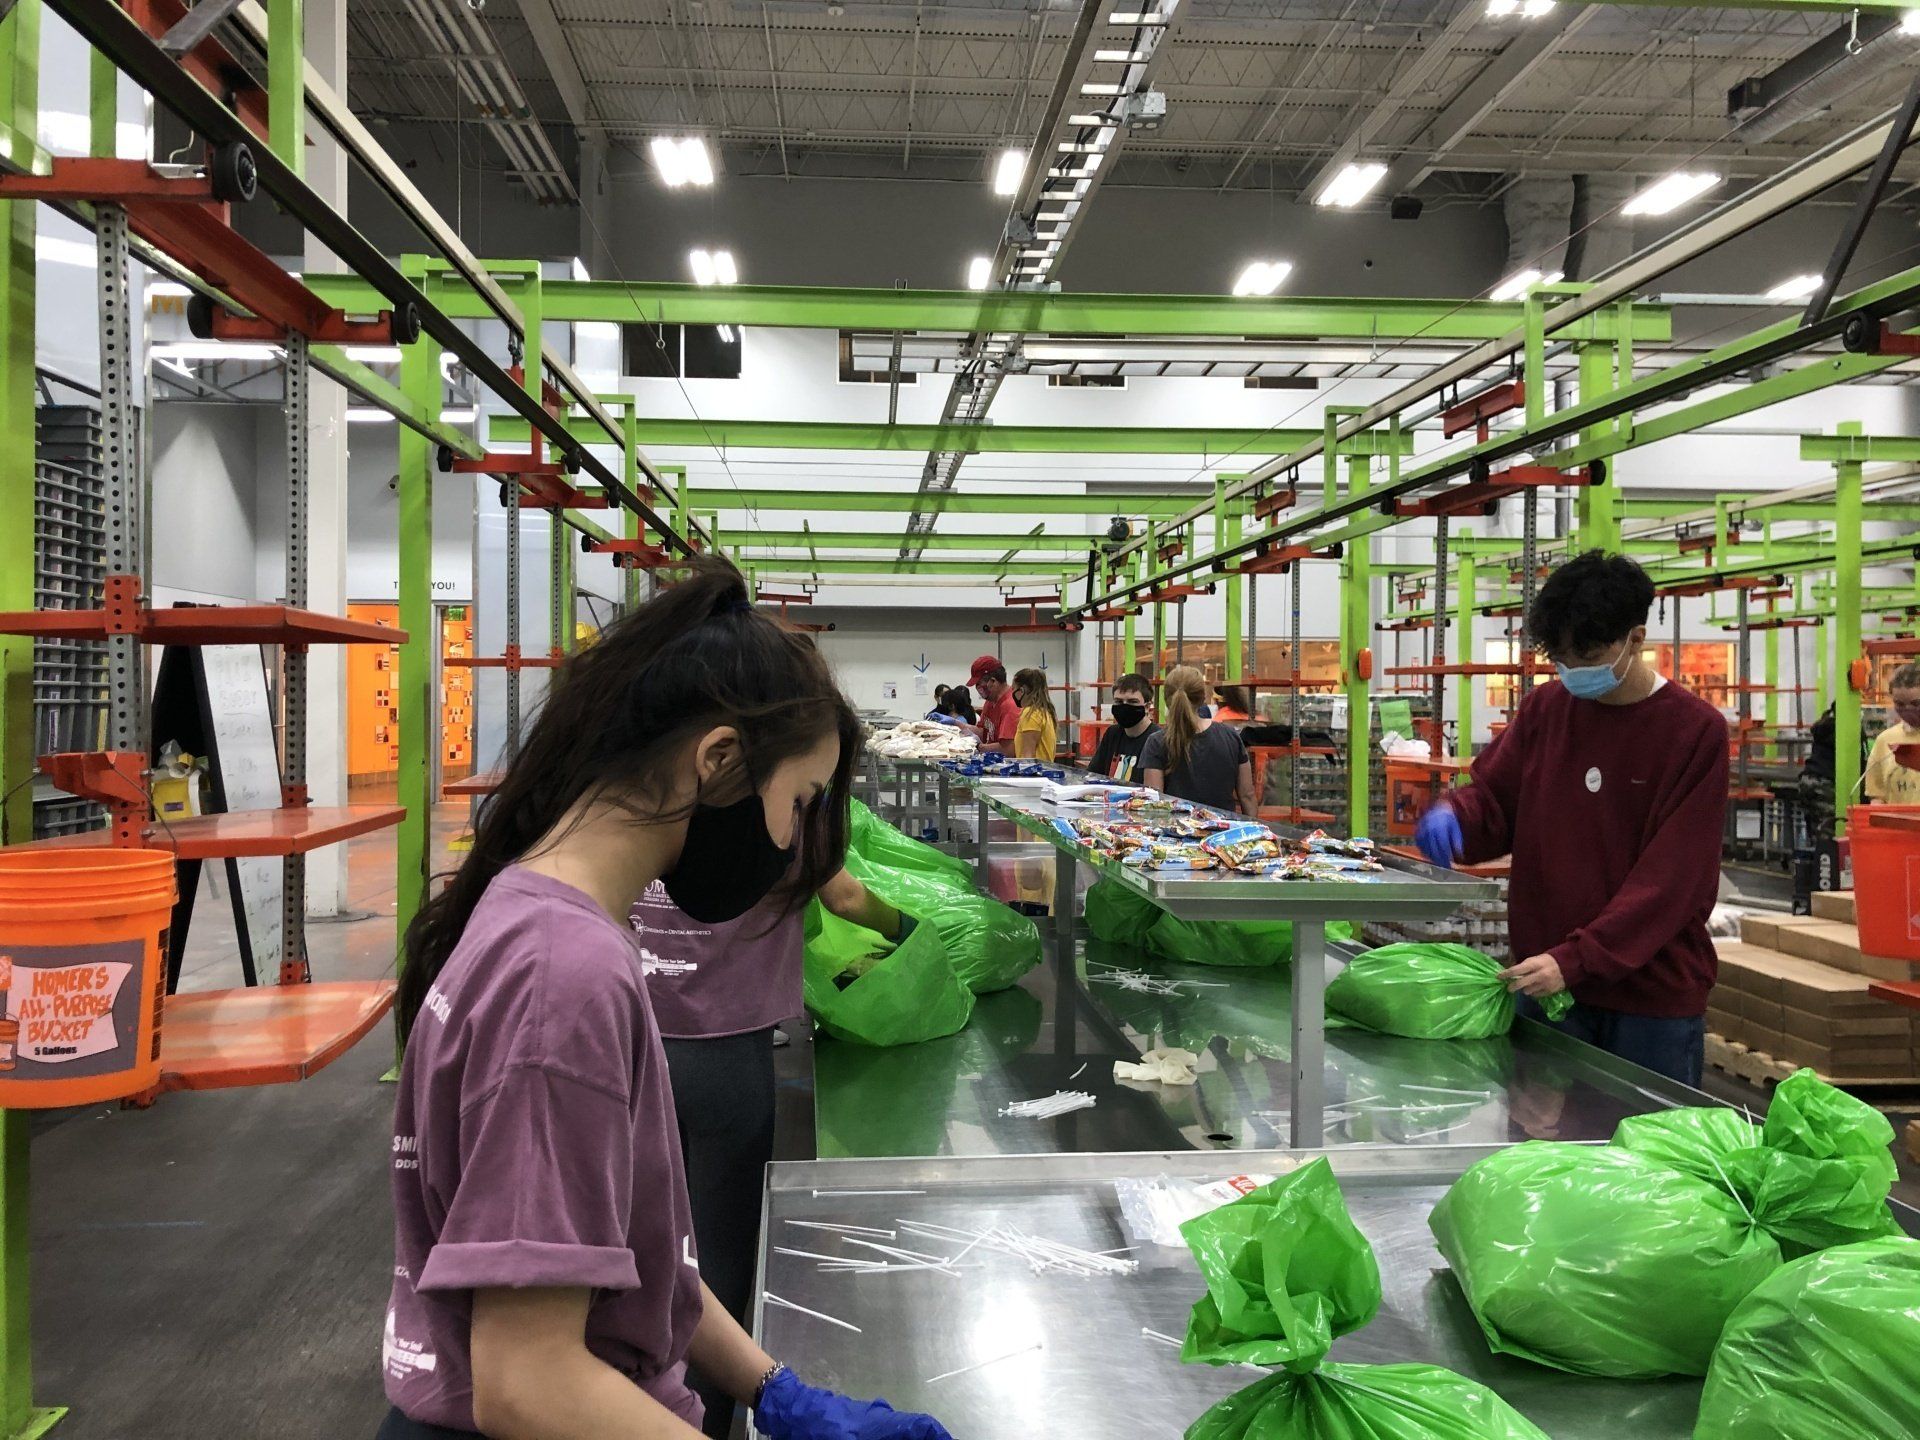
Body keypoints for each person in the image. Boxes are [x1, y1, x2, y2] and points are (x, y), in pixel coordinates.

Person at [379, 559, 952, 1440]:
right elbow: (528, 1381)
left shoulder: (550, 917)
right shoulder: (562, 977)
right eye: (799, 803)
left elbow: (639, 1258)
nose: (794, 840)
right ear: (718, 761)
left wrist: (772, 1390)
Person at [1414, 550, 1728, 1087]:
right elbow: (1496, 800)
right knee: (1540, 1140)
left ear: (1635, 638)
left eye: (1587, 655)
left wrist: (1578, 959)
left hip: (1648, 1002)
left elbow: (1672, 880)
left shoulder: (1693, 732)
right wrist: (1456, 815)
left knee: (1643, 1139)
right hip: (1546, 983)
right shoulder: (1547, 710)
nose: (1573, 671)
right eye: (1561, 657)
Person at [631, 868, 904, 1437]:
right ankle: (699, 1422)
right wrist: (912, 929)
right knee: (717, 1264)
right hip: (726, 1047)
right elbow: (845, 896)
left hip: (634, 1032)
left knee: (637, 1251)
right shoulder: (786, 813)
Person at [1141, 664, 1257, 814]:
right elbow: (1247, 796)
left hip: (1175, 827)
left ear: (1166, 699)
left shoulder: (1157, 742)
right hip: (1222, 827)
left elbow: (1154, 801)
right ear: (1203, 698)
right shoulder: (1230, 736)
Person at [1864, 662, 1920, 805]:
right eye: (1900, 704)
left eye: (1916, 703)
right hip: (1897, 820)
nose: (1908, 710)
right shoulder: (1885, 740)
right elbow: (1877, 795)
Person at [1090, 672, 1161, 783]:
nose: (1124, 706)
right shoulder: (1112, 733)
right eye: (1118, 701)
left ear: (1147, 706)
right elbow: (1093, 775)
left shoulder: (1157, 740)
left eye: (1132, 702)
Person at [970, 654, 1019, 753]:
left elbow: (1008, 750)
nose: (978, 688)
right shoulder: (990, 701)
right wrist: (955, 725)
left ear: (993, 681)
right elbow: (983, 732)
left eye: (979, 684)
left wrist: (978, 747)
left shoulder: (1010, 706)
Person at [1011, 666, 1058, 761]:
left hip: (1034, 770)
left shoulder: (1030, 713)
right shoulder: (1044, 711)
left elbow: (1028, 757)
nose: (1012, 693)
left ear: (1022, 690)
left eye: (1013, 689)